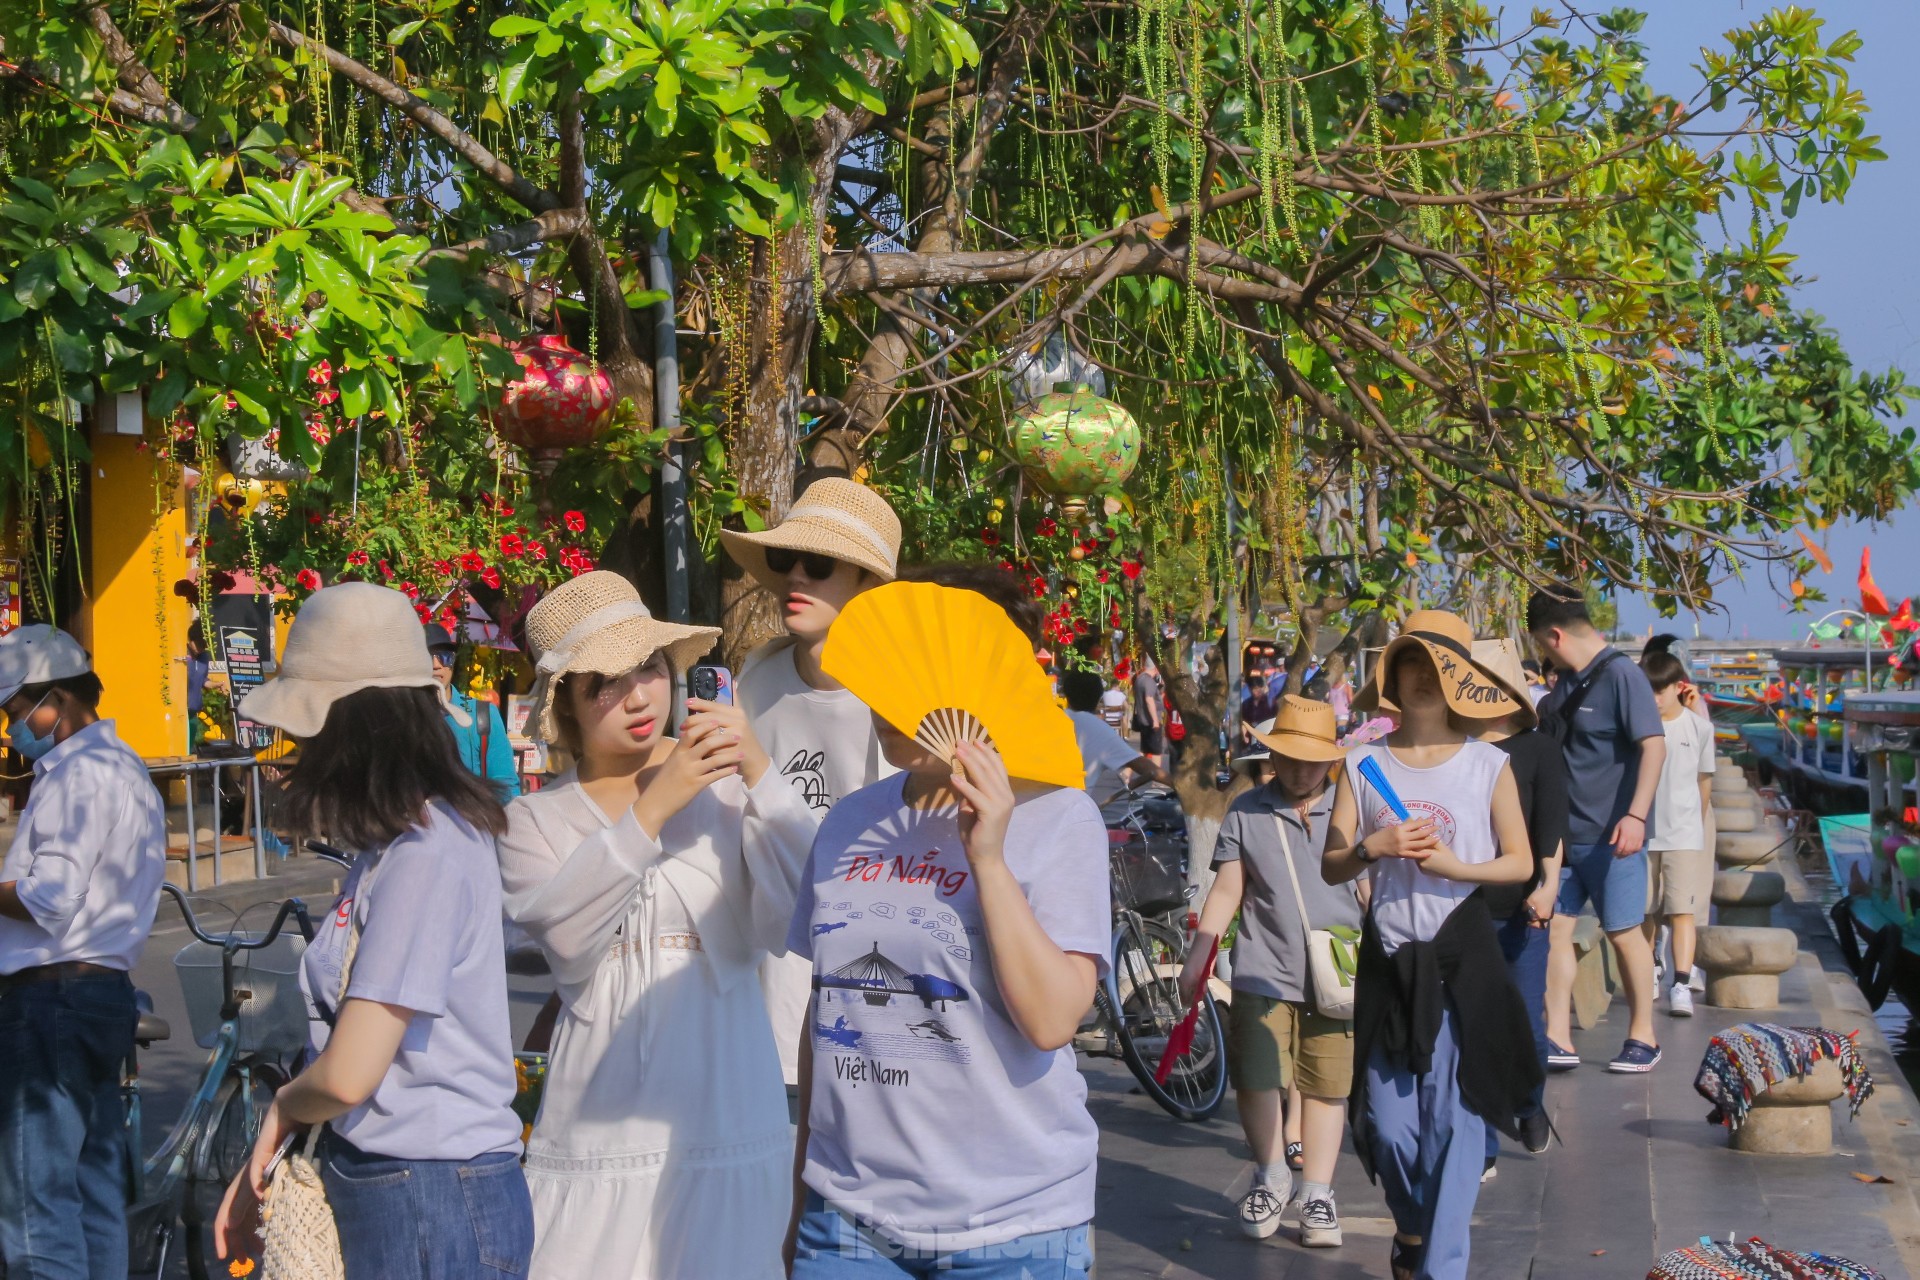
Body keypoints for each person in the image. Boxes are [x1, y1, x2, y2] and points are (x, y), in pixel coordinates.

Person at [784, 575, 1107, 1280]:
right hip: (847, 1215)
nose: (892, 695)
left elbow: (1053, 1019)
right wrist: (800, 1191)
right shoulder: (848, 821)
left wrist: (987, 857)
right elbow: (827, 1005)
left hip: (1012, 1221)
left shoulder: (1059, 816)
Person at [495, 572, 816, 1280]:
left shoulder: (730, 787)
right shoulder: (534, 822)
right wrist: (653, 810)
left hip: (728, 1104)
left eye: (648, 668)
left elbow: (803, 912)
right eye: (603, 684)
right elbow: (572, 949)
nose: (638, 696)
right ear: (569, 707)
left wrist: (760, 772)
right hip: (598, 1118)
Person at [212, 583, 531, 1278]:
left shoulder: (427, 852)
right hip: (408, 1185)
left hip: (430, 1191)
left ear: (350, 729)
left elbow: (353, 1072)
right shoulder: (398, 845)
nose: (297, 747)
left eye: (307, 727)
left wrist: (281, 1114)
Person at [1321, 610, 1542, 1280]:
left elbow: (1520, 862)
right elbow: (1332, 864)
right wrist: (1372, 847)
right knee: (1387, 1127)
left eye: (1436, 668)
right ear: (1391, 677)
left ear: (1459, 684)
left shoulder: (1487, 765)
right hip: (1391, 966)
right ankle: (1413, 1229)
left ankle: (1441, 1267)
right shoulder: (1361, 766)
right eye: (1409, 665)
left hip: (1462, 963)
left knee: (1457, 1125)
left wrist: (1457, 869)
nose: (1420, 679)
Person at [722, 477, 902, 1098]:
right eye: (783, 559)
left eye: (820, 563)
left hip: (868, 986)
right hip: (763, 980)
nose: (795, 576)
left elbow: (880, 868)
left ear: (867, 585)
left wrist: (756, 768)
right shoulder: (757, 677)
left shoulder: (899, 703)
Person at [0, 626, 167, 1279]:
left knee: (36, 1208)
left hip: (52, 1004)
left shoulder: (77, 776)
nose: (15, 729)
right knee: (95, 1192)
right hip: (101, 1000)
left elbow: (48, 898)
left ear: (60, 700)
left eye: (19, 713)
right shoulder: (126, 769)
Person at [1181, 697, 1361, 1248]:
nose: (1302, 770)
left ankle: (1320, 1192)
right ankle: (1271, 1174)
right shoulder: (1246, 810)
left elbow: (1371, 888)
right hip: (1262, 967)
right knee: (1256, 1076)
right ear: (1272, 754)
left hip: (1339, 969)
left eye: (1314, 761)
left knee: (1328, 1084)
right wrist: (1199, 958)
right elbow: (1230, 889)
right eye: (1290, 757)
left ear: (1332, 761)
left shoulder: (1352, 808)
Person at [1528, 588, 1667, 1074]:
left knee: (1625, 932)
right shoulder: (1562, 684)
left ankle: (1643, 1035)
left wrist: (1635, 815)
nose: (1544, 656)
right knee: (1555, 930)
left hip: (1613, 838)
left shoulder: (1623, 676)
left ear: (1556, 635)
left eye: (1543, 646)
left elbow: (1653, 747)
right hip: (1562, 838)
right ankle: (1557, 1036)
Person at [1468, 639, 1568, 1180]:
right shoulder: (1456, 749)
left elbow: (1551, 824)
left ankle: (1529, 1105)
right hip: (1463, 906)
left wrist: (1549, 884)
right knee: (1474, 1025)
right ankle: (1481, 1140)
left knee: (1528, 1025)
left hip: (1524, 908)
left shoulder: (1539, 748)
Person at [1639, 650, 1716, 1018]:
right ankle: (1649, 971)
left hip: (1683, 834)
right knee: (1644, 911)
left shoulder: (1700, 728)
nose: (1653, 698)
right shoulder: (1635, 726)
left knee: (1683, 911)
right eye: (1647, 690)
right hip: (1641, 834)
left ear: (1677, 687)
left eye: (1660, 690)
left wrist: (1695, 826)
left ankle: (1681, 982)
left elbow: (1705, 783)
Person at [427, 624, 522, 803]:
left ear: (453, 662)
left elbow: (506, 788)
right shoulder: (402, 717)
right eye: (427, 657)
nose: (436, 665)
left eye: (445, 657)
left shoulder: (482, 714)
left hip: (471, 825)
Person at [1061, 668, 1170, 802]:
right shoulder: (1099, 730)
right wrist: (1177, 783)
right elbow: (1145, 767)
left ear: (1066, 694)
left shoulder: (1052, 718)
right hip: (1072, 812)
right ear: (1099, 697)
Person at [1133, 654, 1166, 766]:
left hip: (1143, 719)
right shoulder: (1148, 681)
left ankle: (1127, 772)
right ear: (1155, 668)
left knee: (1145, 750)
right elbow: (1149, 699)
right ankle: (1158, 777)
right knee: (1156, 751)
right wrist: (1155, 720)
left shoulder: (1139, 679)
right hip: (1151, 721)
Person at [1239, 673, 1277, 744]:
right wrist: (1244, 736)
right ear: (1250, 689)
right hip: (1252, 739)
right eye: (1255, 688)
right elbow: (1244, 722)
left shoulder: (1271, 702)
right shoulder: (1246, 704)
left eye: (1259, 688)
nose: (1257, 691)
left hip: (1267, 737)